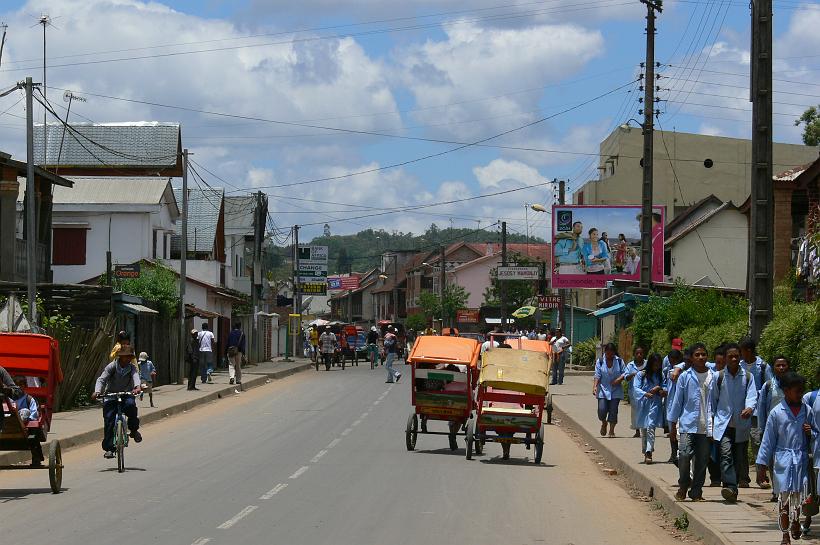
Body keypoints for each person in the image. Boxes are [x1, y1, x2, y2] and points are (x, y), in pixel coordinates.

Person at [756, 371, 810, 544]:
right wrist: (761, 466)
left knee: (799, 496)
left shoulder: (806, 410)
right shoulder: (776, 413)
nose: (800, 394)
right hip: (783, 460)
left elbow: (815, 434)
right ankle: (785, 534)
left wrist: (811, 432)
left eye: (802, 390)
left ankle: (796, 521)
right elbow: (768, 440)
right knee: (784, 499)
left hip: (801, 459)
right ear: (786, 391)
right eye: (797, 391)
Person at [667, 343, 717, 502]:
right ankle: (683, 484)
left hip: (706, 426)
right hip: (688, 424)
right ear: (692, 358)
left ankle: (696, 492)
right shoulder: (685, 377)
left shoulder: (714, 376)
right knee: (684, 455)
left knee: (702, 461)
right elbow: (677, 402)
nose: (701, 357)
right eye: (697, 355)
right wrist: (672, 426)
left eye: (703, 354)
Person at [712, 343, 757, 504]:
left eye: (736, 356)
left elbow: (752, 395)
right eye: (730, 356)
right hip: (723, 424)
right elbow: (713, 401)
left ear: (740, 357)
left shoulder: (747, 377)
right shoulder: (718, 377)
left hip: (740, 424)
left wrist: (749, 408)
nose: (733, 359)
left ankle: (733, 489)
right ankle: (730, 486)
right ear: (725, 358)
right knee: (725, 455)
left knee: (738, 459)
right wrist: (712, 421)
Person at [91, 345, 142, 459]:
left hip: (126, 394)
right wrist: (97, 391)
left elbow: (136, 377)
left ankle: (134, 431)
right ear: (121, 357)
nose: (128, 359)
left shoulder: (132, 368)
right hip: (111, 395)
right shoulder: (112, 366)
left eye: (129, 357)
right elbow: (101, 379)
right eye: (126, 356)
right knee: (109, 420)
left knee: (131, 407)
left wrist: (137, 387)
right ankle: (109, 448)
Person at [758, 355, 793, 498]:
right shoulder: (768, 386)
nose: (781, 368)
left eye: (784, 365)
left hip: (791, 429)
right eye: (778, 365)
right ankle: (776, 490)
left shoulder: (794, 385)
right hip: (772, 428)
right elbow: (761, 409)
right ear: (773, 368)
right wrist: (762, 430)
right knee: (773, 461)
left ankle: (789, 489)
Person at [633, 353, 666, 464]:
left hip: (655, 404)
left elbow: (665, 387)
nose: (656, 367)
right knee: (644, 429)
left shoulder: (661, 375)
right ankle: (645, 449)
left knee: (651, 427)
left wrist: (659, 388)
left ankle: (649, 452)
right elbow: (636, 388)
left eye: (658, 365)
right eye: (654, 365)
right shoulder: (641, 375)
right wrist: (645, 394)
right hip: (643, 404)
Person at [592, 343, 626, 438]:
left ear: (614, 353)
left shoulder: (619, 361)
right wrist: (595, 386)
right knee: (601, 411)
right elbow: (597, 375)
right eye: (608, 354)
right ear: (605, 352)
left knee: (613, 410)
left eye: (611, 354)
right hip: (603, 389)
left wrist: (618, 380)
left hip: (616, 390)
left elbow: (625, 373)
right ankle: (604, 423)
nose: (609, 356)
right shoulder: (600, 361)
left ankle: (611, 430)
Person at [663, 348, 685, 465]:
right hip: (670, 403)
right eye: (671, 360)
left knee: (679, 431)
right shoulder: (668, 371)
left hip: (681, 405)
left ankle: (680, 454)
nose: (673, 362)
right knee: (672, 431)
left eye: (675, 360)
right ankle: (673, 453)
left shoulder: (683, 371)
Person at [623, 346, 647, 438]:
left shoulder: (647, 364)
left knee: (645, 410)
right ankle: (637, 430)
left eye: (641, 353)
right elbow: (626, 377)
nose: (639, 355)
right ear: (634, 354)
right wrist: (633, 374)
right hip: (634, 392)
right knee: (635, 411)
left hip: (646, 391)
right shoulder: (630, 365)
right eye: (637, 353)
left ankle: (645, 429)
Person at [226, 323, 246, 387]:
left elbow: (227, 343)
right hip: (239, 351)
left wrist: (225, 351)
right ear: (240, 326)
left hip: (231, 351)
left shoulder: (230, 333)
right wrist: (243, 353)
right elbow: (243, 345)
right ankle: (238, 380)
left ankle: (232, 377)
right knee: (238, 365)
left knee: (231, 364)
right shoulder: (242, 334)